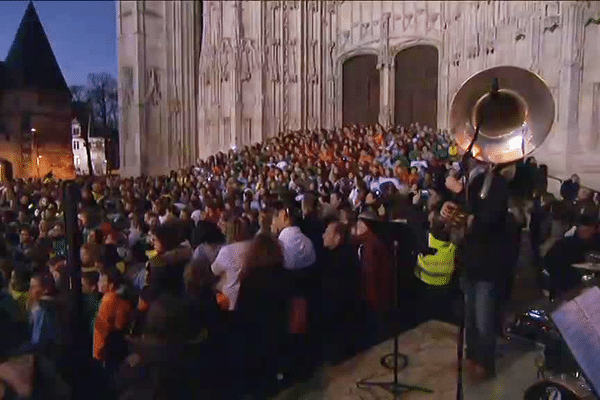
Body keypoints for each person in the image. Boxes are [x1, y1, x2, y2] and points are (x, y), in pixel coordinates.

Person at [441, 163, 512, 382]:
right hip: (468, 259)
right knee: (470, 316)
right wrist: (448, 208)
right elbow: (465, 212)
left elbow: (489, 217)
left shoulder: (498, 183)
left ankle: (485, 363)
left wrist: (460, 191)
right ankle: (471, 356)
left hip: (487, 262)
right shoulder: (473, 181)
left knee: (483, 318)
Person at [320, 220, 360, 362]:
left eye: (327, 233)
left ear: (337, 238)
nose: (323, 235)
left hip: (339, 325)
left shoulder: (341, 261)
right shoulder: (335, 256)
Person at [544, 214, 600, 299]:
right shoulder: (564, 244)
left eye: (590, 229)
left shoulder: (596, 243)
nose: (586, 232)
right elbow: (550, 264)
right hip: (568, 285)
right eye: (584, 228)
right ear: (578, 228)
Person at [93, 268, 132, 375]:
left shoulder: (108, 300)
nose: (98, 283)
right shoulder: (124, 297)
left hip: (109, 348)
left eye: (101, 281)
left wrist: (97, 354)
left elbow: (101, 330)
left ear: (111, 284)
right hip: (121, 343)